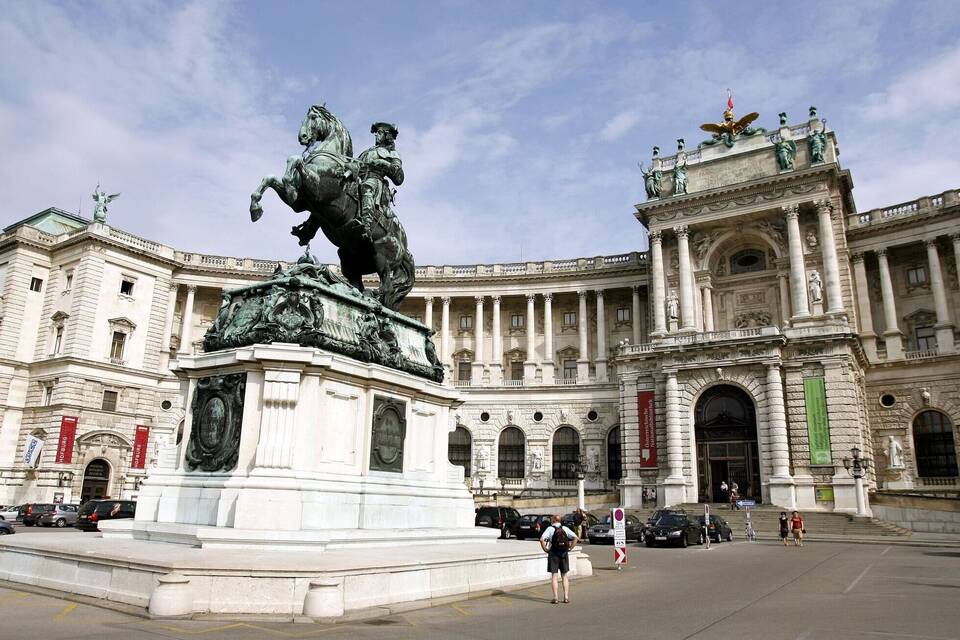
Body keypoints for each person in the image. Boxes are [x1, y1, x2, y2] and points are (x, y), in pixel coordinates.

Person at [539, 514, 579, 604]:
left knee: (554, 576)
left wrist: (545, 549)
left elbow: (541, 539)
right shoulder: (565, 528)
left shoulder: (550, 529)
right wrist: (570, 548)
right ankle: (566, 597)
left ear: (553, 520)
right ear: (560, 521)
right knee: (564, 576)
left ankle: (555, 598)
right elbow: (576, 538)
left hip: (553, 554)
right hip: (564, 554)